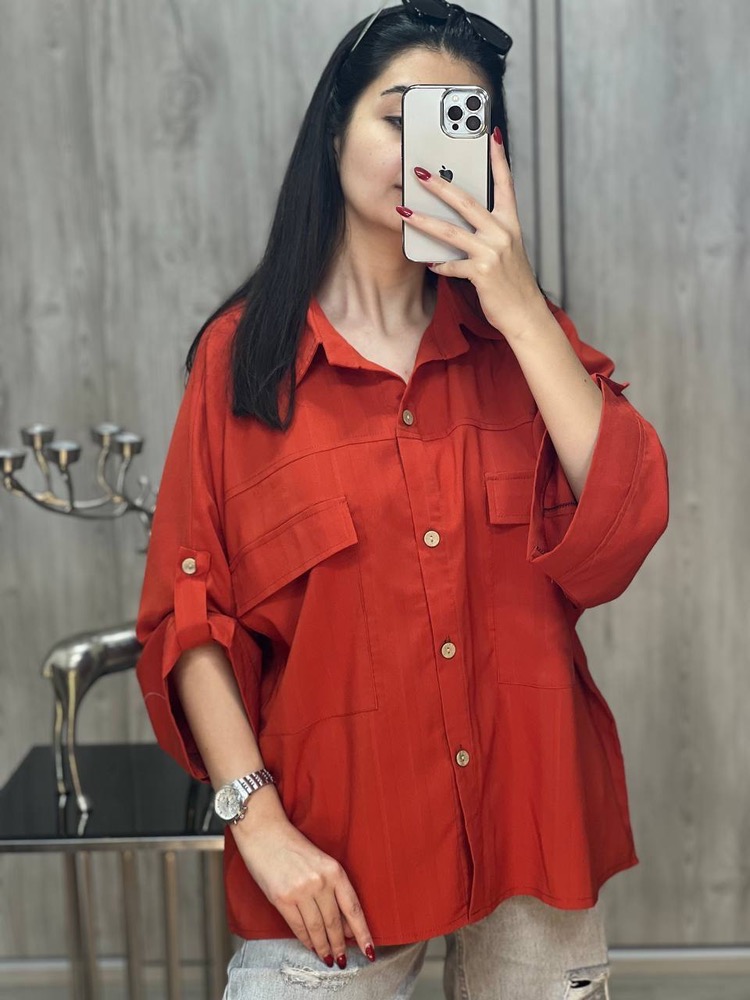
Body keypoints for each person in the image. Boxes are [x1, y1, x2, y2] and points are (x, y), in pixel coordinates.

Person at [134, 2, 669, 997]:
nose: (423, 151)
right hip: (332, 863)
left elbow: (626, 518)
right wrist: (260, 825)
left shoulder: (524, 345)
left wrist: (519, 305)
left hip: (533, 837)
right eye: (399, 116)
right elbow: (189, 618)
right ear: (335, 129)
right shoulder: (240, 364)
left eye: (459, 121)